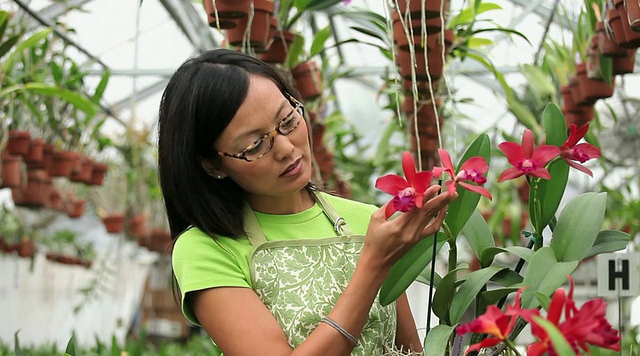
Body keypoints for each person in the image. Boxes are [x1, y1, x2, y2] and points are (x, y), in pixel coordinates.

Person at [157, 48, 456, 355]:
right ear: (213, 165)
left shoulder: (368, 221)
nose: (286, 148)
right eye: (255, 144)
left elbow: (409, 351)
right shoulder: (207, 249)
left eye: (287, 120)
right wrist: (373, 265)